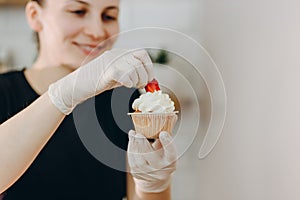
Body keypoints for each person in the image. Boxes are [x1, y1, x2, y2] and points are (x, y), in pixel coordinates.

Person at [0, 0, 177, 199]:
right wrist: (63, 94)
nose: (97, 32)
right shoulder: (4, 92)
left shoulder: (122, 100)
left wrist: (152, 186)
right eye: (78, 11)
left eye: (109, 16)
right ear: (34, 15)